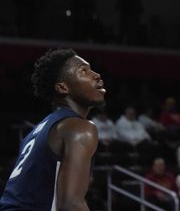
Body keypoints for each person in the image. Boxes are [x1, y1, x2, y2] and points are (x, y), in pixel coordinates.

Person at [0, 48, 106, 210]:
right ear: (62, 88)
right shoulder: (79, 128)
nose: (96, 75)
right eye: (83, 71)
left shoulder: (38, 130)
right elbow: (71, 205)